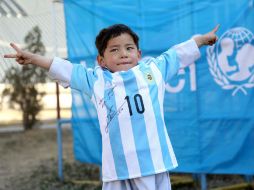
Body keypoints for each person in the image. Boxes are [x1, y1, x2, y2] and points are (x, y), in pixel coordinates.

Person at [4, 24, 219, 190]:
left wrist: (200, 40)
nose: (123, 53)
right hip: (117, 168)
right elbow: (65, 68)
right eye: (114, 49)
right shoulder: (96, 80)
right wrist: (32, 58)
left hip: (153, 164)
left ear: (139, 54)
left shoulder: (153, 71)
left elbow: (177, 54)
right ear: (101, 60)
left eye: (129, 48)